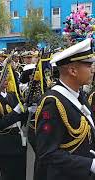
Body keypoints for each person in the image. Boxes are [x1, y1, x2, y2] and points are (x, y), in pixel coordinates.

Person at [35, 38, 95, 180]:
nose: (93, 69)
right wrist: (90, 164)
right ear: (73, 70)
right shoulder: (52, 103)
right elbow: (47, 153)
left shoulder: (79, 95)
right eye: (88, 65)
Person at [0, 65, 28, 180]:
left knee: (21, 175)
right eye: (1, 77)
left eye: (5, 76)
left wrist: (27, 110)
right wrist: (16, 111)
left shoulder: (12, 95)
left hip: (19, 142)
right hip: (5, 144)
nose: (6, 79)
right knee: (8, 176)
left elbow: (22, 119)